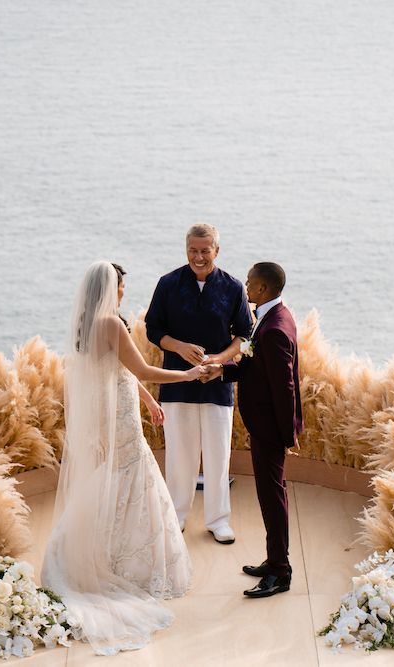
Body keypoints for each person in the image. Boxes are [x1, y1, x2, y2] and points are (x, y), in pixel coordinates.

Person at [41, 261, 205, 655]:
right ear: (111, 287)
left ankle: (94, 551)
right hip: (121, 420)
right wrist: (187, 376)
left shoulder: (86, 325)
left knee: (115, 481)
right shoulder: (112, 324)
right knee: (134, 477)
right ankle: (129, 565)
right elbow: (143, 369)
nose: (124, 292)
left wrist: (148, 401)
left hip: (112, 413)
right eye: (121, 285)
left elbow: (115, 372)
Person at [144, 224, 252, 543]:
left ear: (216, 251)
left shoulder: (233, 287)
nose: (199, 256)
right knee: (180, 454)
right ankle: (176, 515)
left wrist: (219, 359)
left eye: (205, 250)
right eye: (193, 250)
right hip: (177, 382)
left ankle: (218, 520)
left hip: (217, 385)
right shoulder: (167, 284)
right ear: (186, 249)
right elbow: (153, 329)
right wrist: (178, 346)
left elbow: (244, 335)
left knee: (218, 454)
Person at [206, 262, 303, 598]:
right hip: (266, 427)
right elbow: (255, 367)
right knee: (269, 495)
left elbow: (284, 387)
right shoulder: (277, 316)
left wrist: (286, 436)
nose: (245, 286)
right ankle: (275, 559)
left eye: (250, 282)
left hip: (270, 431)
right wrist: (220, 370)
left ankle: (280, 572)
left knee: (272, 497)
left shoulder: (274, 328)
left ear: (262, 289)